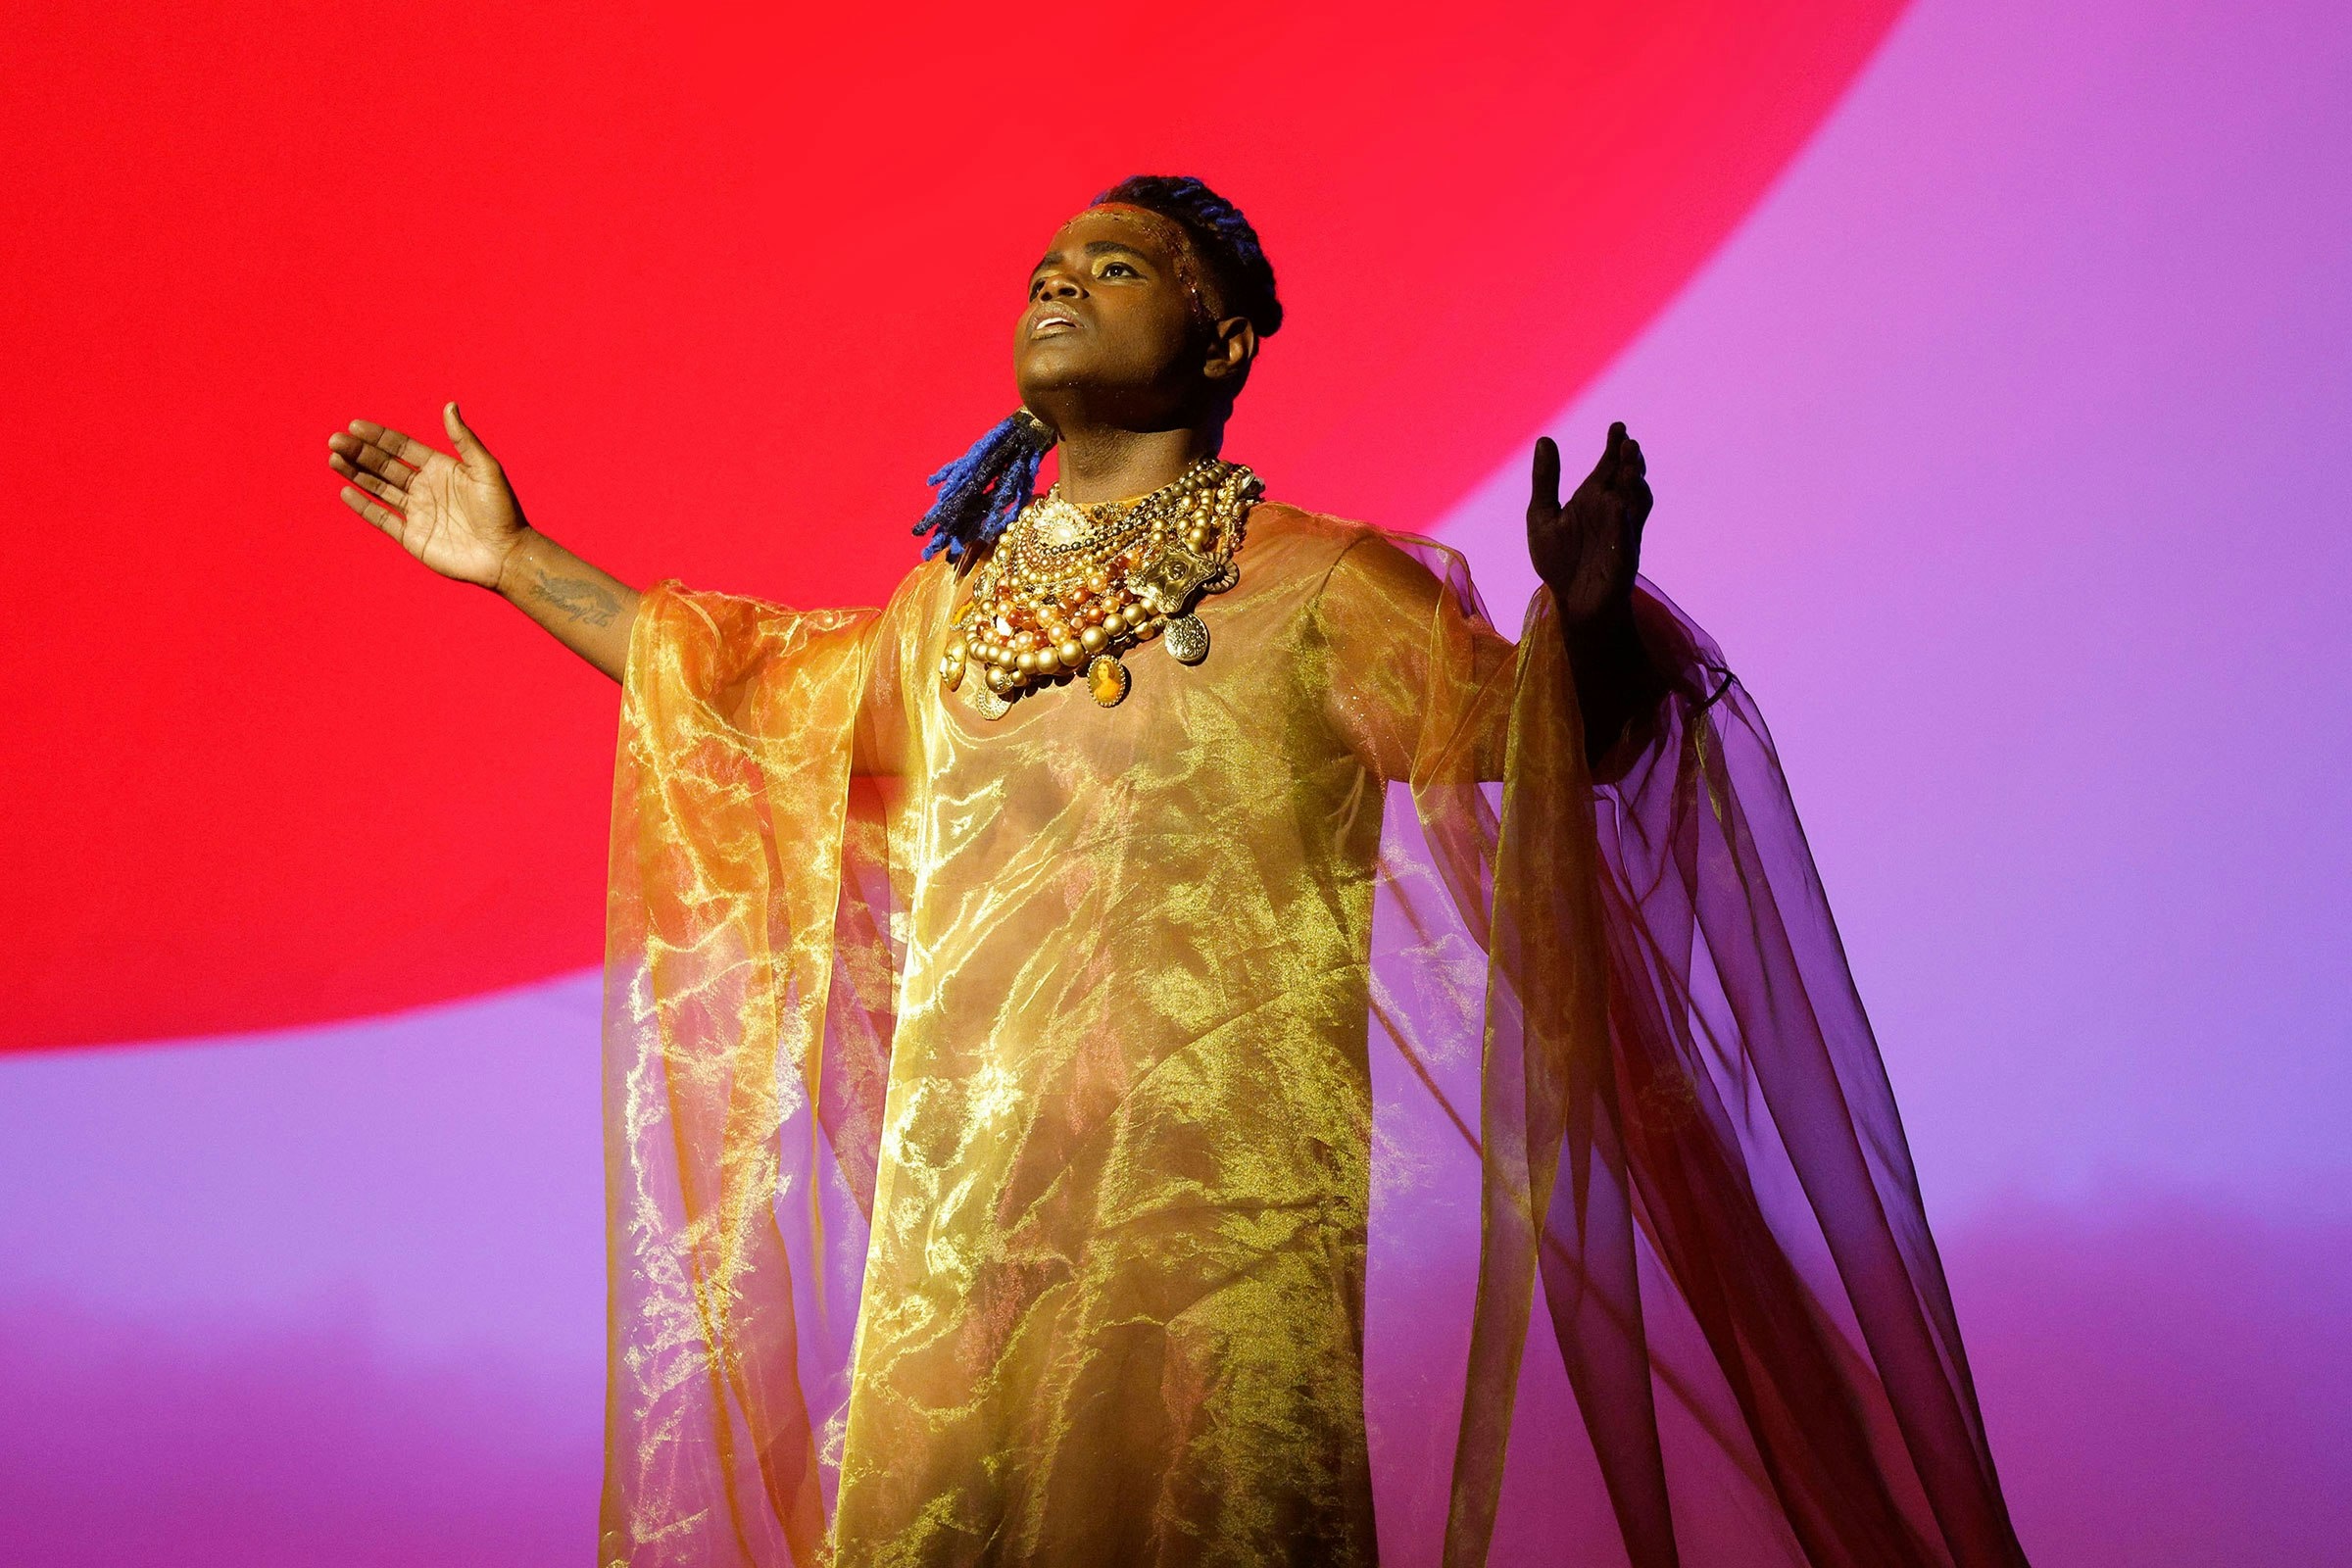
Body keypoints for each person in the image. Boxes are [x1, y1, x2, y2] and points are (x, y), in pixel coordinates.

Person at [327, 176, 2029, 1568]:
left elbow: (1540, 742)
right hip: (964, 1285)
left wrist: (1582, 636)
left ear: (1219, 338)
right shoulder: (951, 616)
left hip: (1221, 1287)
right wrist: (512, 562)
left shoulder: (1327, 589)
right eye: (1045, 269)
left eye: (1117, 266)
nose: (1058, 286)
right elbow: (736, 687)